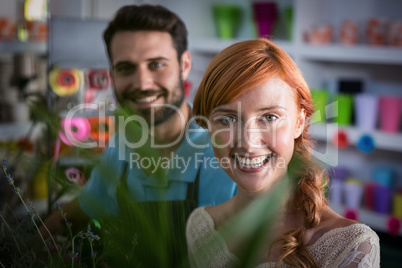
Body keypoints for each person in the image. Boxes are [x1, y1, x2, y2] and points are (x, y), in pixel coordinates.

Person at [41, 4, 236, 266]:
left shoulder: (224, 148)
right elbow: (81, 207)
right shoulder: (119, 148)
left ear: (184, 65)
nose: (142, 83)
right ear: (112, 75)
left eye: (156, 64)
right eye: (126, 68)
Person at [186, 39, 380, 267]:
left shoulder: (352, 247)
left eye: (269, 117)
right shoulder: (200, 227)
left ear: (299, 122)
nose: (249, 143)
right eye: (228, 119)